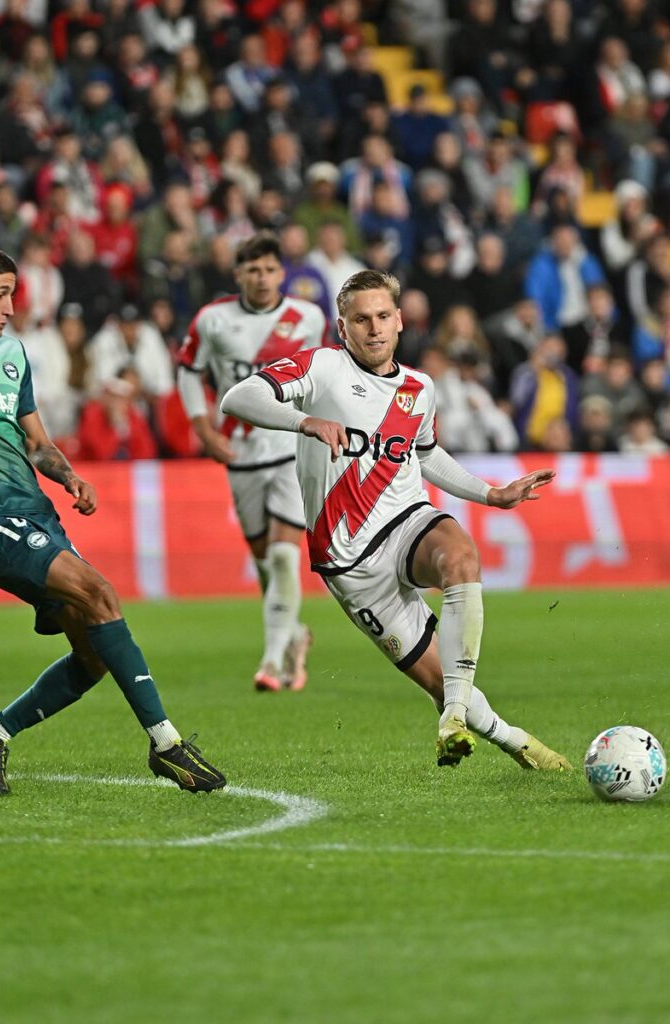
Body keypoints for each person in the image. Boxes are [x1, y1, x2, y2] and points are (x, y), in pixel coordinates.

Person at [0, 244, 225, 797]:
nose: (10, 308)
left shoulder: (12, 356)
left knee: (93, 655)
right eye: (1, 294)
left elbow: (39, 443)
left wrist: (68, 475)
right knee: (101, 594)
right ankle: (166, 744)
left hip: (37, 515)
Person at [221, 268, 571, 771]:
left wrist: (491, 494)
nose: (374, 328)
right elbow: (238, 398)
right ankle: (517, 742)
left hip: (406, 520)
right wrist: (306, 420)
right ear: (343, 328)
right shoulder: (321, 368)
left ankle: (450, 716)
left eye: (383, 316)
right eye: (360, 319)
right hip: (351, 565)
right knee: (439, 677)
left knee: (461, 556)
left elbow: (425, 456)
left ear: (400, 320)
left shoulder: (419, 388)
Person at [178, 232, 328, 692]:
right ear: (237, 274)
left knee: (284, 558)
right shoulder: (213, 320)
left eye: (269, 269)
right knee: (266, 565)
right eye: (252, 270)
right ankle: (295, 638)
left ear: (282, 273)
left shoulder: (306, 317)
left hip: (290, 448)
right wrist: (203, 429)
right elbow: (188, 370)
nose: (262, 278)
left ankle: (271, 664)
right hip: (240, 452)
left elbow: (322, 374)